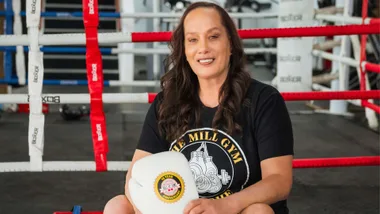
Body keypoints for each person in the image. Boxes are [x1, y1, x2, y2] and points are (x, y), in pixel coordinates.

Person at [104, 1, 294, 214]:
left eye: (213, 37)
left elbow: (279, 181)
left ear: (230, 43)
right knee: (117, 205)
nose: (203, 48)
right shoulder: (166, 102)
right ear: (184, 49)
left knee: (259, 211)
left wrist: (222, 206)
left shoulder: (263, 100)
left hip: (235, 210)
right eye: (193, 40)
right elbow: (135, 177)